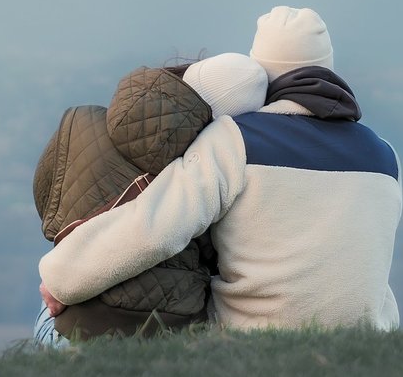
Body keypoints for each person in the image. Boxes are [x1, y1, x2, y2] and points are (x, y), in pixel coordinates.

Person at [38, 7, 402, 335]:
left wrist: (60, 279)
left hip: (247, 340)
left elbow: (154, 227)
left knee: (48, 325)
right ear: (328, 69)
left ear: (262, 72)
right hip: (364, 339)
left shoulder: (237, 140)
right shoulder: (385, 157)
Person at [31, 52, 269, 347]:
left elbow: (45, 193)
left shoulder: (82, 120)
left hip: (70, 321)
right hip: (167, 333)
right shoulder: (206, 171)